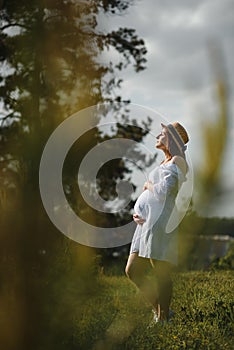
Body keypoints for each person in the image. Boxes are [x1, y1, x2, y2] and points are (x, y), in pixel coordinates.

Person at [125, 121, 189, 324]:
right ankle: (162, 313)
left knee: (160, 271)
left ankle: (163, 319)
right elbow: (152, 193)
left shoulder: (178, 160)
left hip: (160, 221)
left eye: (162, 134)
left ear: (172, 139)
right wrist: (138, 212)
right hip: (145, 223)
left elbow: (163, 191)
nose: (157, 137)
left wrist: (147, 184)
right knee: (132, 270)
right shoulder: (165, 162)